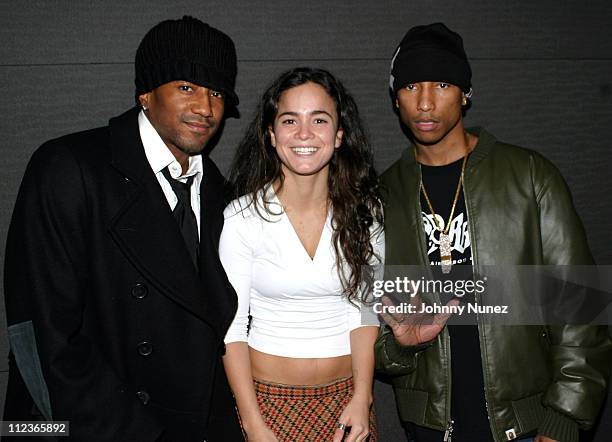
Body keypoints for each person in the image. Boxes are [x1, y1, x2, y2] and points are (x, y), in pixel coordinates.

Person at [3, 16, 243, 441]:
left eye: (217, 92)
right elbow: (41, 338)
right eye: (186, 86)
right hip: (91, 426)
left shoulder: (227, 197)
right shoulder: (68, 168)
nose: (205, 108)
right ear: (147, 93)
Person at [374, 23, 612, 442]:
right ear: (396, 98)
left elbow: (580, 302)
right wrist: (401, 346)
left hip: (528, 424)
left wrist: (565, 418)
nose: (425, 103)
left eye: (442, 84)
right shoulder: (381, 195)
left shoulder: (529, 175)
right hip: (429, 426)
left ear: (466, 93)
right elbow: (372, 334)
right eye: (411, 86)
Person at [219, 67, 384, 442]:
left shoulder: (366, 213)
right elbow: (231, 328)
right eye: (290, 120)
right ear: (271, 135)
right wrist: (252, 423)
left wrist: (363, 397)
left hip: (346, 404)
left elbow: (363, 311)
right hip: (267, 404)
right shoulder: (242, 218)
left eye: (320, 119)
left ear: (339, 134)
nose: (304, 134)